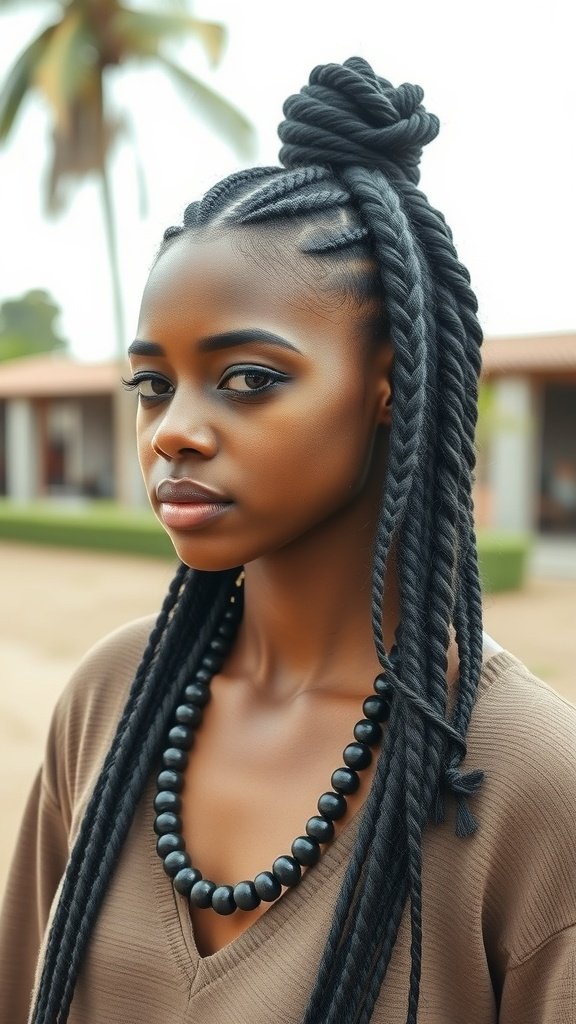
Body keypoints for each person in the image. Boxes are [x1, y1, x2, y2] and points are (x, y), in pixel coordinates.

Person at [0, 57, 575, 1024]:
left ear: (391, 384)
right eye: (153, 385)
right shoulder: (111, 699)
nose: (173, 429)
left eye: (248, 378)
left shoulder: (528, 781)